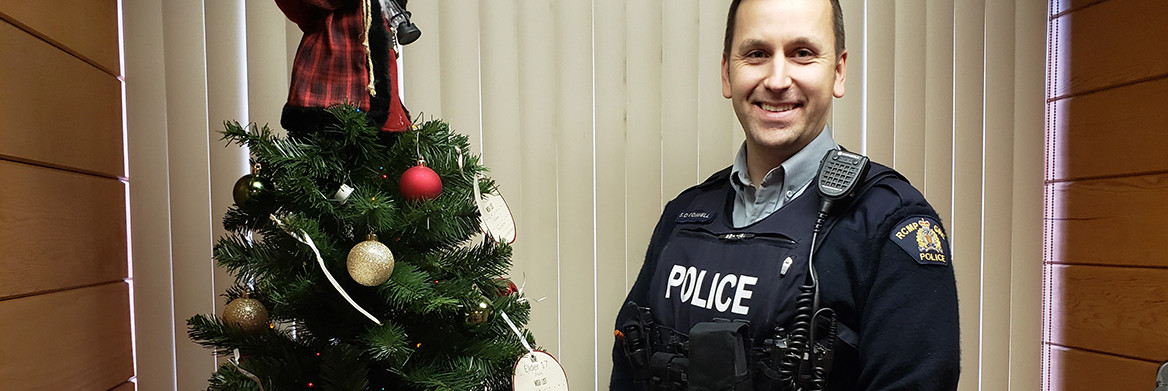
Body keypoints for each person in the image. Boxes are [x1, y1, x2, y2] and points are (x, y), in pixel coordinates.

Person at [609, 0, 960, 389]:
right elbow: (628, 365)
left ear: (838, 71)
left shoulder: (888, 226)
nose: (777, 80)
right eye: (757, 53)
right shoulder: (684, 215)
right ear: (727, 72)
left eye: (802, 54)